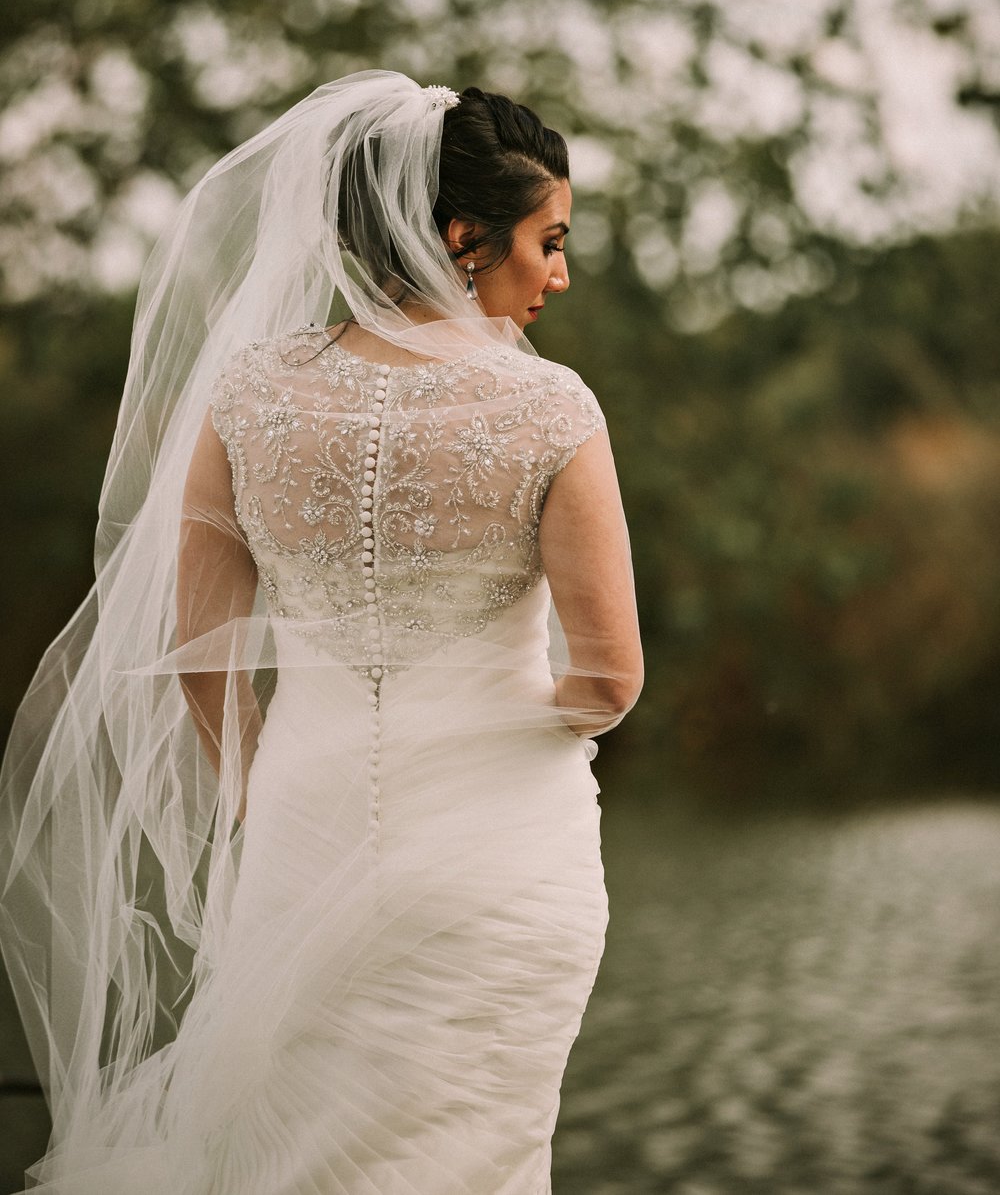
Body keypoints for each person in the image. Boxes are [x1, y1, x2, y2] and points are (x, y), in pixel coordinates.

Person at [0, 70, 643, 1194]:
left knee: (294, 1155)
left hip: (306, 823)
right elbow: (611, 680)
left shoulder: (250, 394)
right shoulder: (552, 412)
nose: (560, 270)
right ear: (461, 236)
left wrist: (256, 784)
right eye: (548, 240)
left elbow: (202, 651)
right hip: (499, 857)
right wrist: (500, 698)